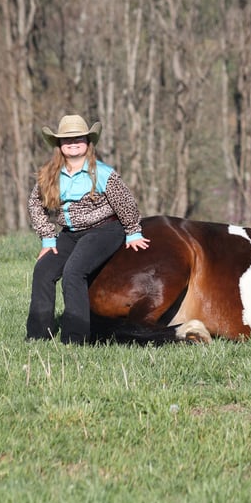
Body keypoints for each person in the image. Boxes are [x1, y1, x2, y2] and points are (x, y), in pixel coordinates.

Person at [26, 114, 150, 344]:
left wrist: (133, 231)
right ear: (59, 145)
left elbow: (125, 202)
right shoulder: (50, 175)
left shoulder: (102, 173)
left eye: (79, 138)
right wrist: (48, 239)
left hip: (104, 229)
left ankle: (76, 338)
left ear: (88, 142)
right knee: (43, 270)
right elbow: (35, 204)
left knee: (73, 272)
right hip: (70, 234)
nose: (73, 143)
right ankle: (38, 335)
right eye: (67, 139)